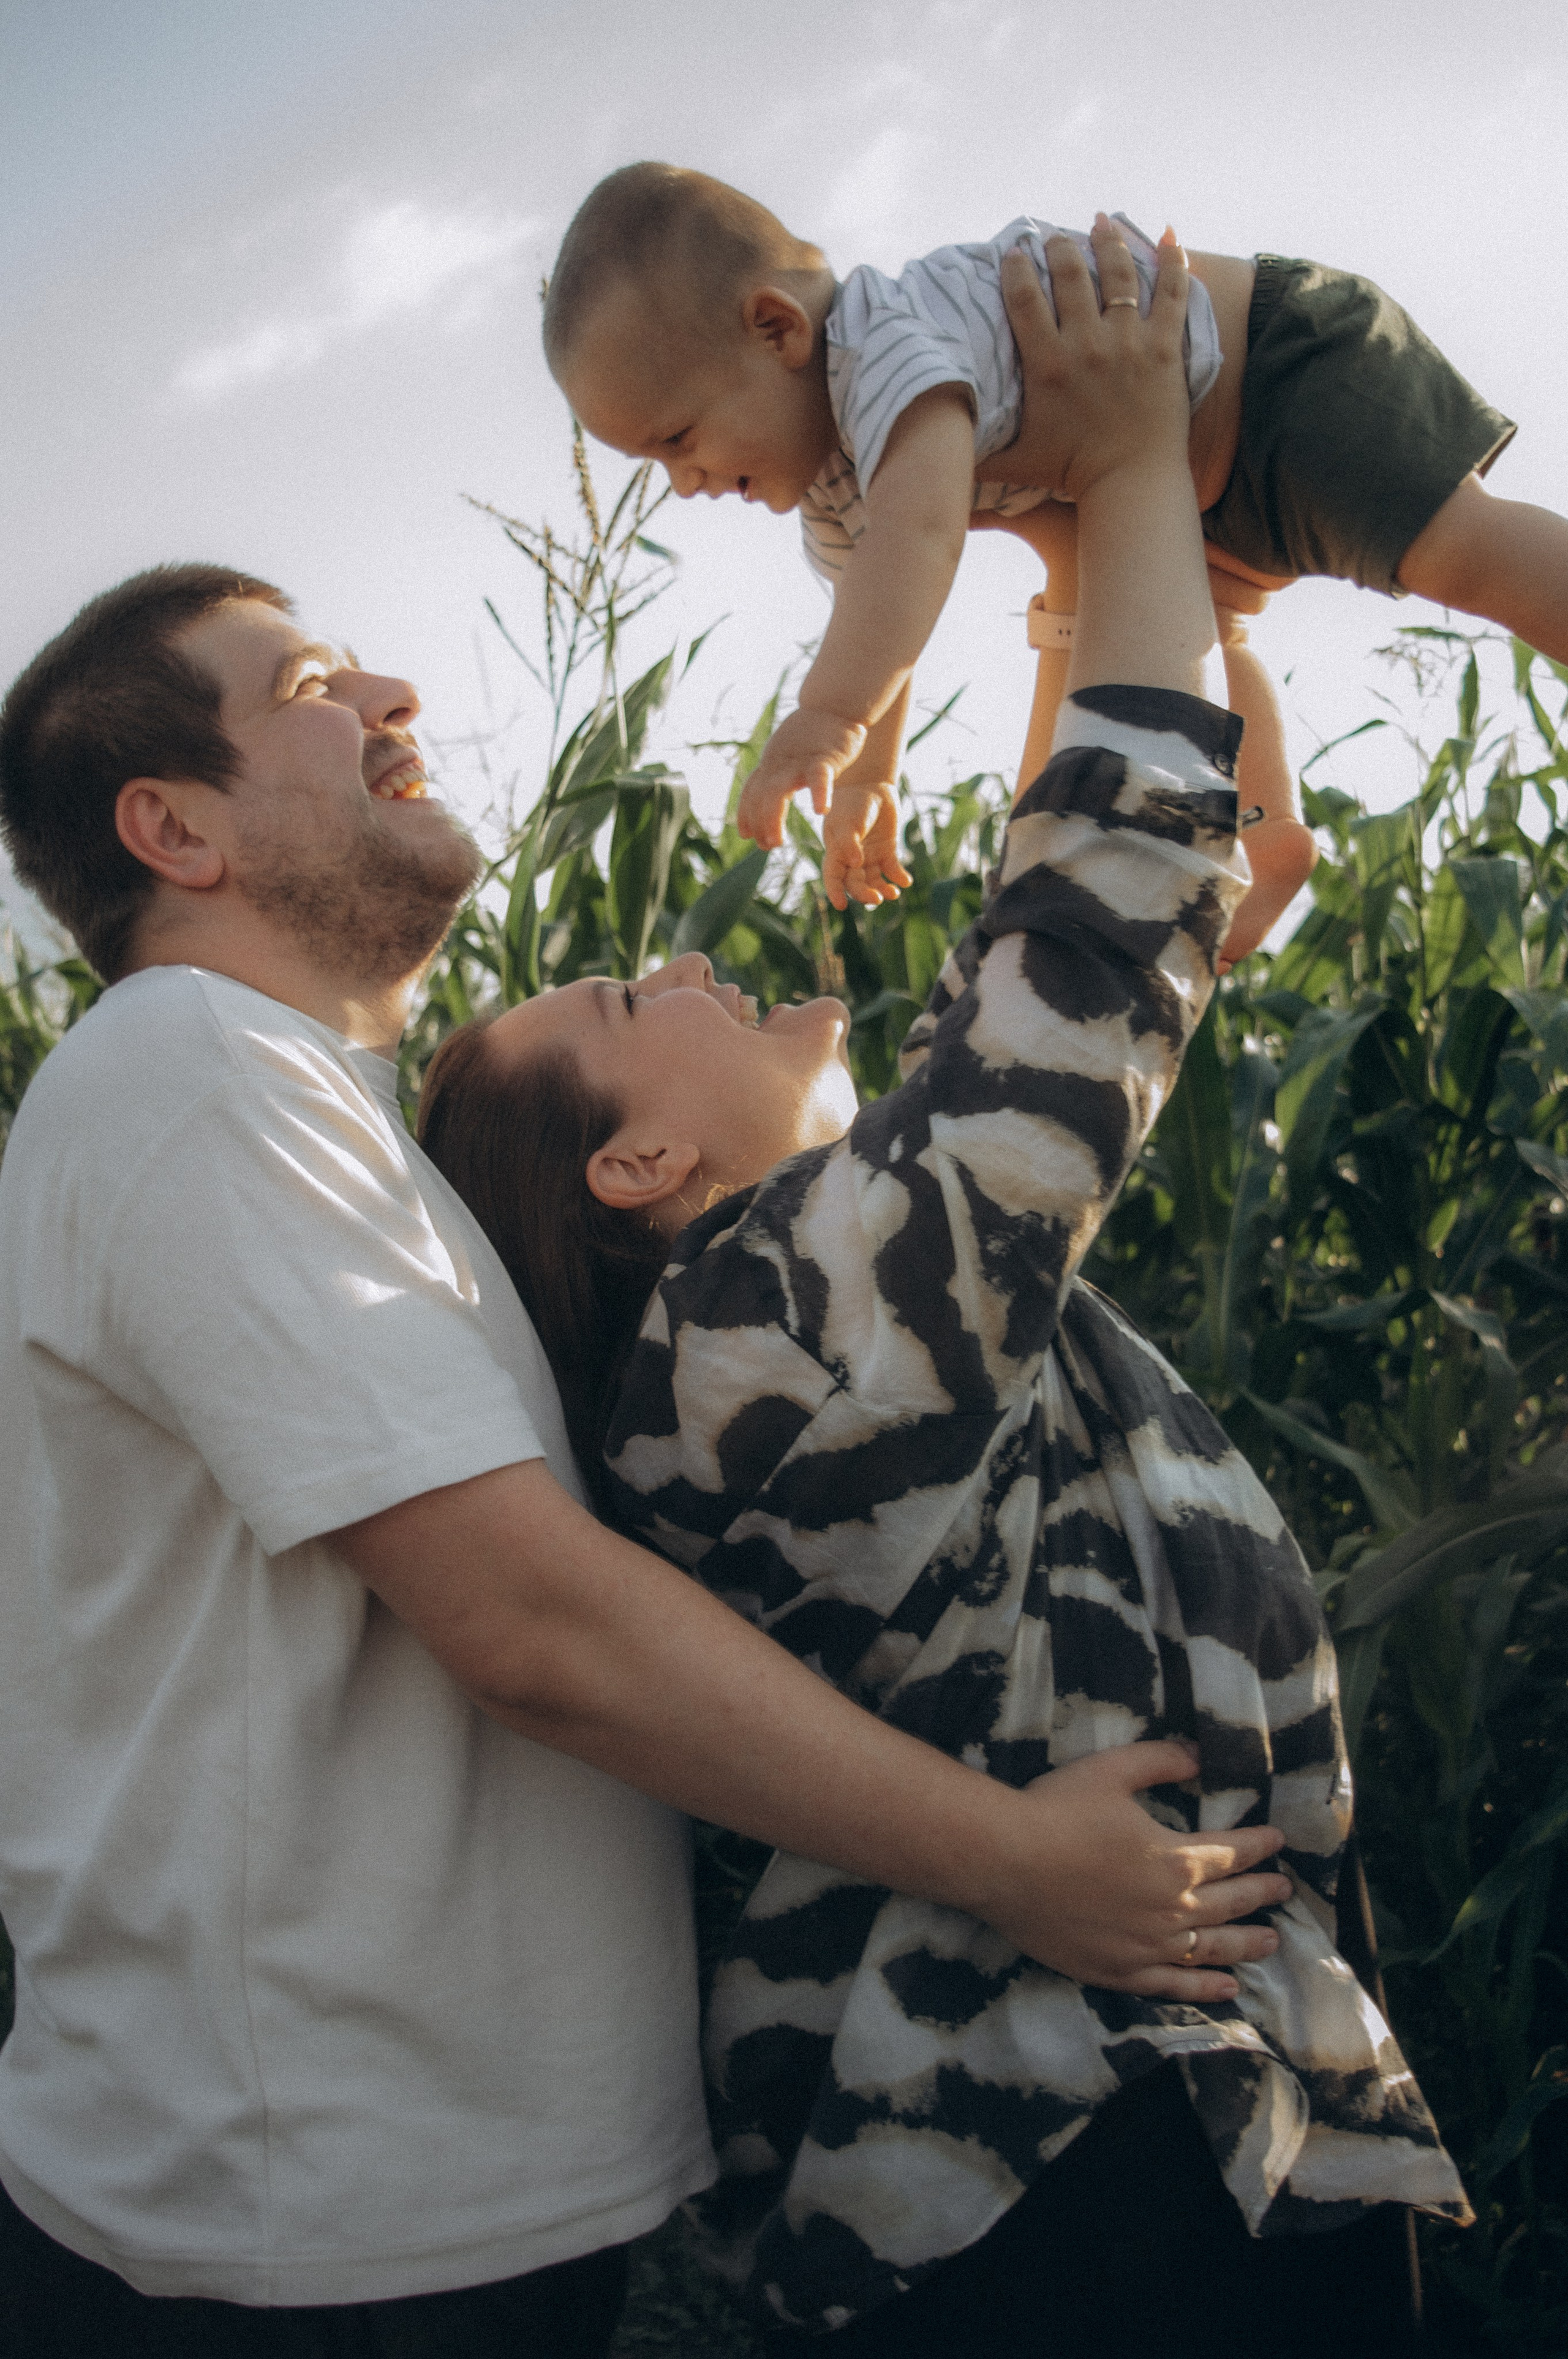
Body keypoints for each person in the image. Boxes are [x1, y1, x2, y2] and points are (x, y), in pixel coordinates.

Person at [0, 354, 1289, 2359]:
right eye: (311, 688)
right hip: (300, 2226)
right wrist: (1022, 1861)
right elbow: (528, 1623)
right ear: (171, 824)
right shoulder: (190, 1071)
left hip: (406, 2200)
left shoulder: (313, 1124)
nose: (390, 699)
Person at [420, 222, 1471, 2357]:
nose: (691, 956)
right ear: (638, 1166)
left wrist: (1088, 540)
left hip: (1150, 2090)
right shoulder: (757, 1343)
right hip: (1066, 2163)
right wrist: (1137, 463)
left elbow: (1102, 943)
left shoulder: (799, 1293)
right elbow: (1094, 942)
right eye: (640, 990)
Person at [541, 162, 1561, 929]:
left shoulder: (881, 344)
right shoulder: (836, 482)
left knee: (1453, 554)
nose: (682, 481)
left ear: (775, 328)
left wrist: (823, 720)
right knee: (1199, 637)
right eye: (652, 464)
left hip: (1277, 376)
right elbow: (876, 609)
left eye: (678, 437)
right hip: (1188, 496)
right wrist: (868, 780)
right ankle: (1267, 828)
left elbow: (922, 538)